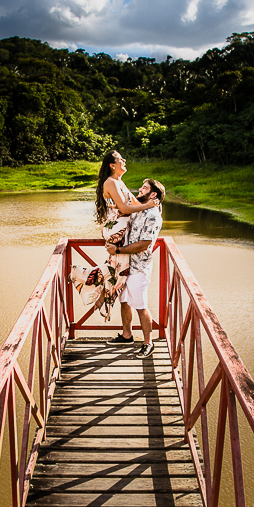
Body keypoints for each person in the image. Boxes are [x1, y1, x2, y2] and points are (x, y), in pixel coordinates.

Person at [91, 150, 157, 320]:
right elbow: (125, 209)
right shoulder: (111, 182)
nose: (125, 160)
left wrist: (154, 206)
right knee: (119, 268)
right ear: (113, 165)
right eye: (121, 159)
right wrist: (149, 205)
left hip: (121, 230)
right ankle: (101, 297)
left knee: (117, 267)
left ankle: (102, 297)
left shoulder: (119, 182)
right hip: (116, 229)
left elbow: (134, 203)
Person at [105, 178, 164, 358]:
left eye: (144, 187)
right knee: (124, 300)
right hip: (126, 265)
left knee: (140, 305)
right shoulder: (140, 208)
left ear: (153, 194)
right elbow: (118, 201)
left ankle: (148, 343)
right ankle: (127, 335)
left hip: (139, 267)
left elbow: (145, 244)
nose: (140, 189)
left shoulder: (153, 215)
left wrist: (118, 249)